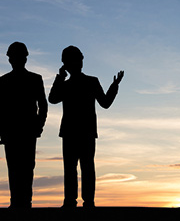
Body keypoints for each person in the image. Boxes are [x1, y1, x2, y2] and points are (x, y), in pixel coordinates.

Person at [49, 46, 124, 208]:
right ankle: (76, 201)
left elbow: (105, 103)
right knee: (77, 168)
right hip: (75, 132)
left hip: (82, 132)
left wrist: (114, 86)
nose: (79, 62)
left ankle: (82, 201)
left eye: (79, 59)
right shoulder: (76, 84)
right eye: (77, 59)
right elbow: (52, 99)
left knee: (82, 167)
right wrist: (60, 78)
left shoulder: (90, 81)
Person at [0, 42, 48, 208]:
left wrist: (39, 125)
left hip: (25, 129)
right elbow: (0, 107)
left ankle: (23, 201)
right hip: (14, 130)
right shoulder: (3, 81)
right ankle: (18, 201)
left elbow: (43, 105)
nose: (14, 59)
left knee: (24, 166)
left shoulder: (34, 79)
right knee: (17, 166)